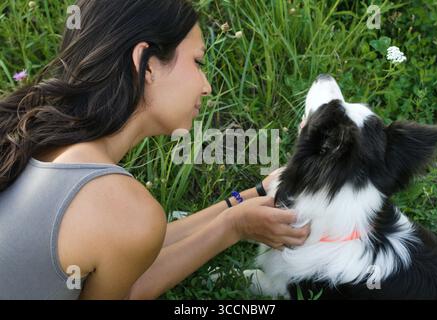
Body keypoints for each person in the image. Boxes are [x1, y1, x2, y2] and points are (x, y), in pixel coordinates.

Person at [0, 0, 310, 300]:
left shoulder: (39, 143)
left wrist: (250, 196)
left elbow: (136, 250)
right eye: (197, 62)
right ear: (146, 63)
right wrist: (232, 228)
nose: (207, 86)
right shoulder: (122, 207)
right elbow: (130, 289)